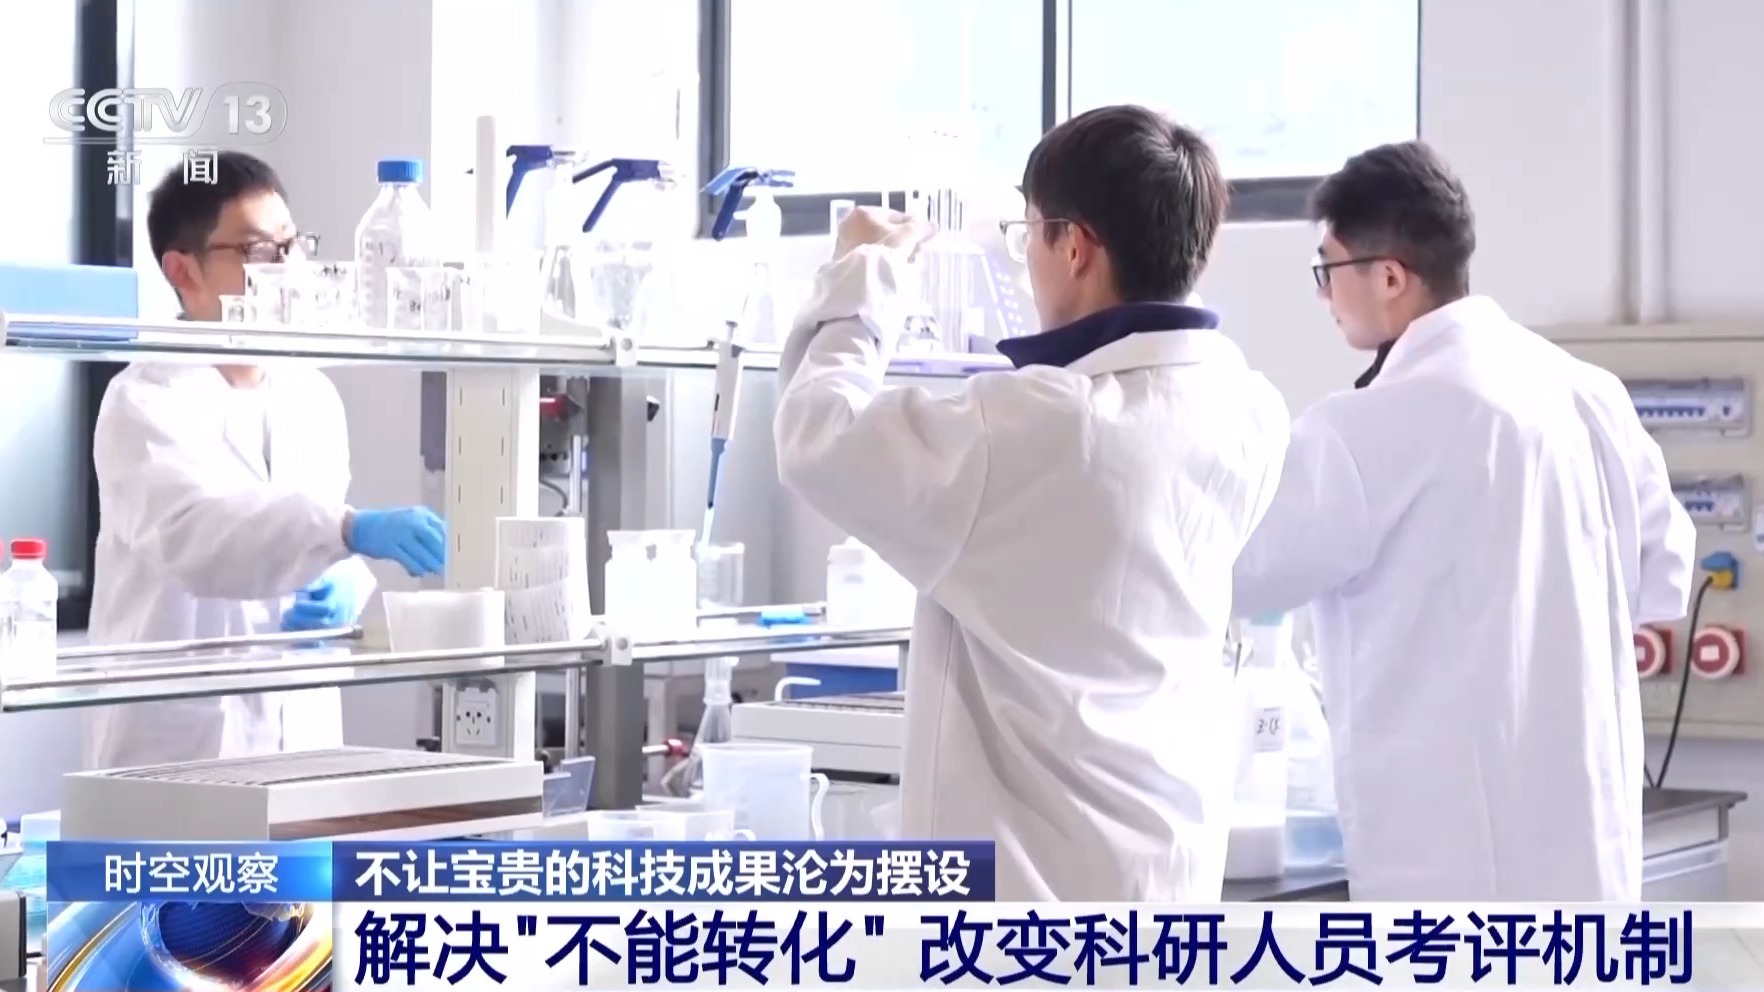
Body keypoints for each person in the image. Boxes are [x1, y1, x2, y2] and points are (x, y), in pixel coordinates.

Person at [772, 105, 1292, 900]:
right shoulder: (1248, 411)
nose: (1025, 263)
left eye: (1029, 236)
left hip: (1025, 906)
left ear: (1075, 247)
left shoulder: (1034, 428)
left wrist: (866, 272)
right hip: (1169, 876)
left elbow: (816, 433)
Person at [1231, 140, 1697, 900]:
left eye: (1328, 269)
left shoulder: (1365, 428)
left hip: (1451, 868)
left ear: (1388, 276)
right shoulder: (1589, 393)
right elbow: (1664, 577)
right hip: (1589, 858)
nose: (1324, 295)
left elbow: (1236, 572)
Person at [86, 151, 449, 770]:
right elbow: (199, 541)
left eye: (292, 244)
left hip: (301, 737)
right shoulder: (144, 401)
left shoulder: (312, 394)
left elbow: (309, 534)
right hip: (178, 749)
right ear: (184, 271)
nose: (289, 269)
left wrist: (347, 575)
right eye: (259, 251)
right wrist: (347, 531)